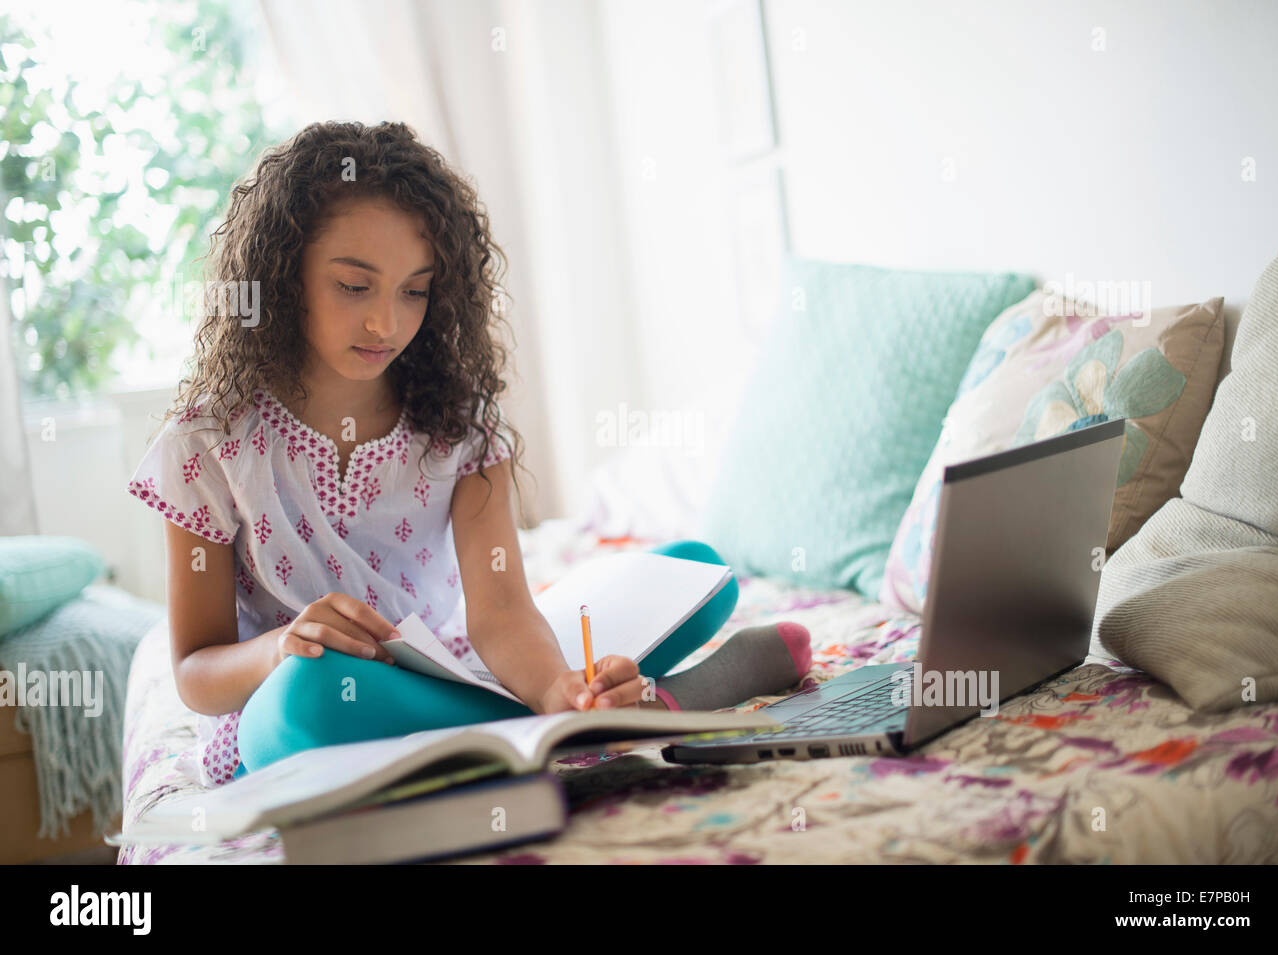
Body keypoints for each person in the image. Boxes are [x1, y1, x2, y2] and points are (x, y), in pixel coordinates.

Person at [126, 121, 811, 787]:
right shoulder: (206, 446)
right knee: (307, 695)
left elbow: (503, 612)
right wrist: (283, 645)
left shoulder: (460, 421)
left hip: (452, 668)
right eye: (354, 285)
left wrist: (556, 684)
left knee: (699, 571)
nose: (386, 322)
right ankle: (638, 712)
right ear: (282, 278)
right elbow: (194, 670)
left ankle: (565, 718)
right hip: (307, 698)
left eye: (415, 290)